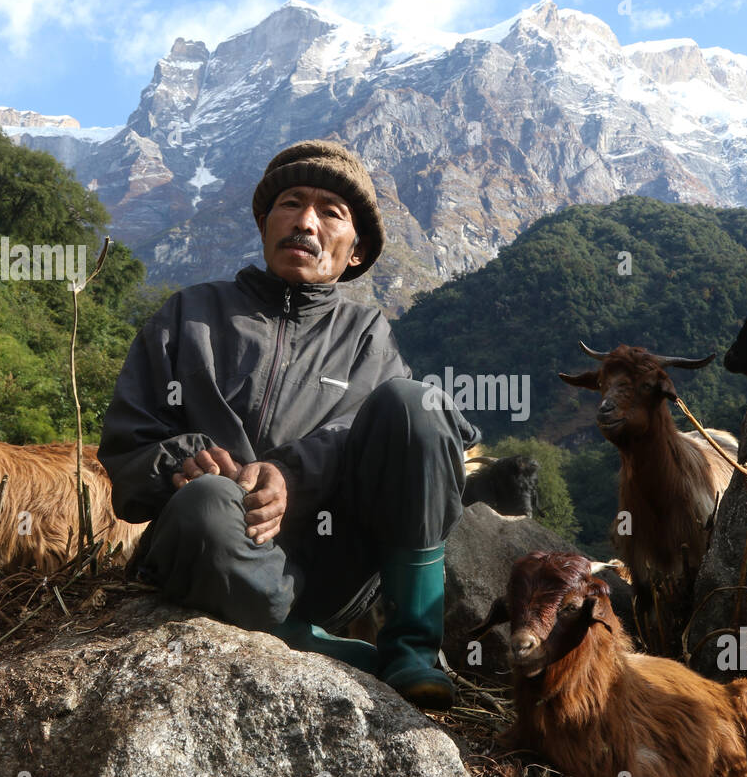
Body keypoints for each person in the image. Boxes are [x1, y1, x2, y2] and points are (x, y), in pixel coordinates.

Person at [97, 140, 479, 710]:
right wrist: (185, 460)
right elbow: (127, 451)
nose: (305, 222)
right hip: (220, 548)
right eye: (290, 203)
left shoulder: (367, 337)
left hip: (334, 565)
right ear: (263, 224)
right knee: (205, 503)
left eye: (331, 212)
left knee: (415, 404)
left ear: (355, 251)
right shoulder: (189, 315)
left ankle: (413, 648)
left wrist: (290, 474)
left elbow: (398, 442)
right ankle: (317, 648)